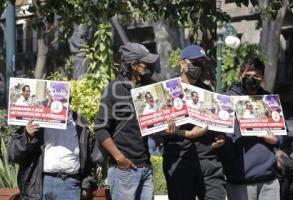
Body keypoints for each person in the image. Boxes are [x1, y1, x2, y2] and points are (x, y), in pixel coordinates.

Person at [94, 42, 159, 200]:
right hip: (124, 170)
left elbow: (155, 123)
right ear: (133, 65)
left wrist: (167, 126)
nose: (149, 65)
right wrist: (120, 159)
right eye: (145, 62)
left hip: (146, 167)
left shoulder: (148, 87)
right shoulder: (113, 89)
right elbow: (100, 128)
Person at [162, 44, 226, 200]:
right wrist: (188, 134)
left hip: (209, 161)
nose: (199, 67)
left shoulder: (208, 90)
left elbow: (216, 123)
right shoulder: (168, 90)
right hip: (179, 161)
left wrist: (220, 136)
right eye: (195, 63)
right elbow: (157, 128)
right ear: (182, 63)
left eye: (202, 63)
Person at [221, 57, 282, 200]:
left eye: (256, 76)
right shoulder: (227, 99)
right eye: (247, 75)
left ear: (262, 77)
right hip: (240, 179)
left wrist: (274, 139)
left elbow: (280, 136)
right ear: (240, 75)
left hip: (269, 180)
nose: (252, 79)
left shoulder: (269, 100)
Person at [8, 108, 97, 200]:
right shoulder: (35, 119)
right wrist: (27, 136)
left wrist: (87, 183)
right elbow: (13, 154)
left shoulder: (79, 121)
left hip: (70, 185)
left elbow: (90, 157)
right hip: (40, 185)